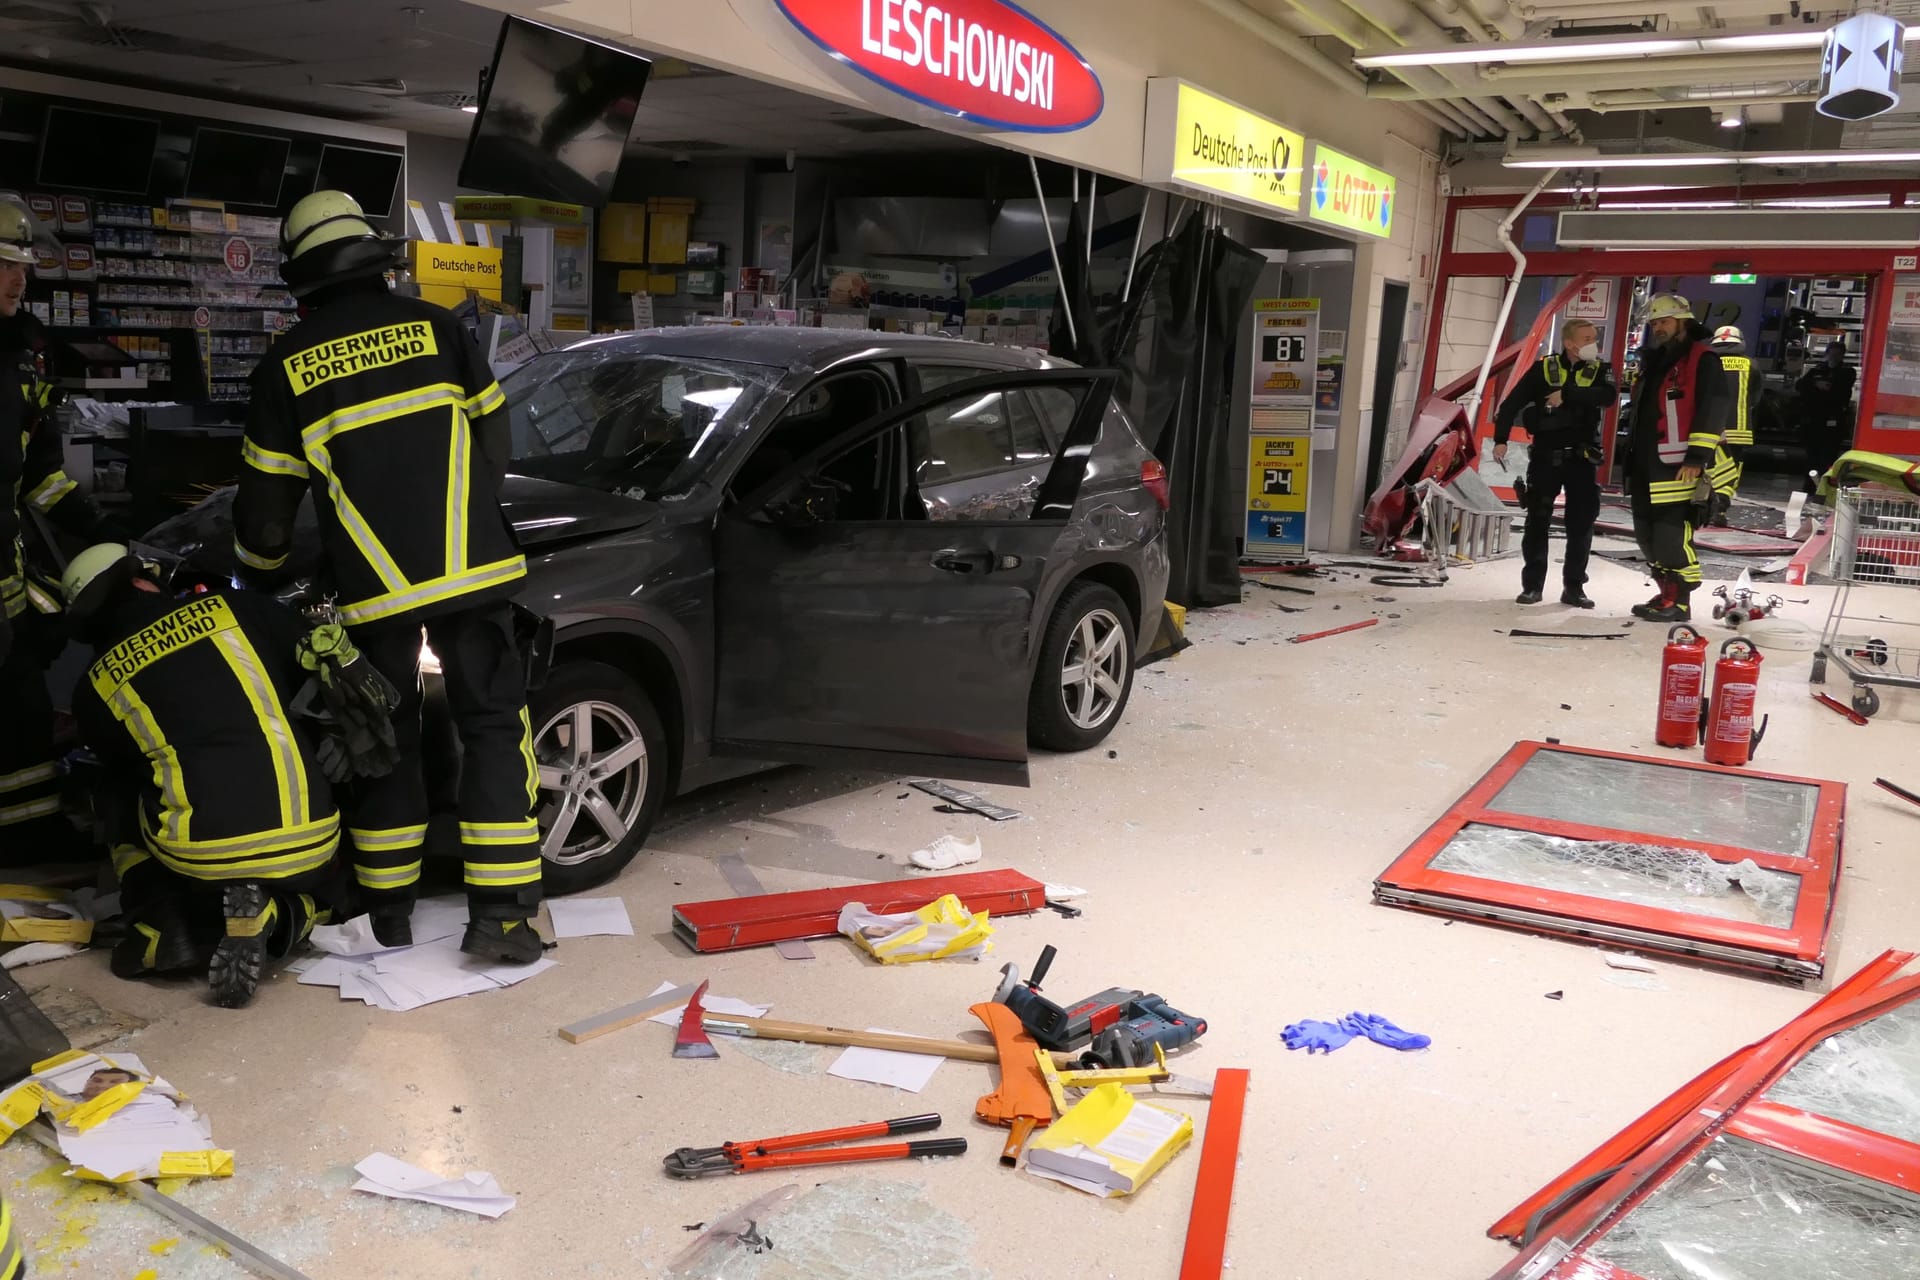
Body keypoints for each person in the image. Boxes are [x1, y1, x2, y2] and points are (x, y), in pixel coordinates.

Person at [231, 191, 545, 964]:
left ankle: (388, 914)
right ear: (376, 258)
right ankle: (501, 920)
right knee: (495, 732)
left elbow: (266, 517)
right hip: (477, 576)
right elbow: (496, 441)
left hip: (374, 598)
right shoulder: (441, 330)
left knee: (386, 740)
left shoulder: (285, 368)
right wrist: (465, 521)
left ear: (302, 278)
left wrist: (263, 577)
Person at [63, 544, 344, 1008]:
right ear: (140, 581)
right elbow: (315, 679)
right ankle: (286, 914)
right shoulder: (237, 607)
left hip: (200, 857)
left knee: (117, 789)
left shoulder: (94, 684)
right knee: (336, 886)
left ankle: (157, 922)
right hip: (310, 836)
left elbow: (126, 767)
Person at [1, 198, 118, 861]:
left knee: (20, 708)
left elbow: (39, 475)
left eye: (24, 265)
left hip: (6, 584)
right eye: (6, 264)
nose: (20, 278)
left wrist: (107, 529)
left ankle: (29, 842)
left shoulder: (22, 359)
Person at [1625, 295, 1737, 622]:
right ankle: (1665, 595)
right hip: (1647, 464)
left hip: (1679, 467)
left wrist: (1697, 457)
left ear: (1683, 322)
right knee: (1646, 536)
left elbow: (1713, 408)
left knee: (1670, 536)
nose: (1658, 328)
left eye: (1665, 321)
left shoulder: (1703, 359)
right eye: (1655, 323)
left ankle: (1681, 602)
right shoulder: (1657, 361)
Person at [1494, 319, 1615, 608]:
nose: (1593, 343)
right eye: (1587, 338)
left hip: (1582, 460)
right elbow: (1511, 404)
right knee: (1537, 522)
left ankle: (1574, 588)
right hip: (1546, 458)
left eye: (1593, 338)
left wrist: (1569, 394)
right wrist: (1501, 439)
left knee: (1581, 525)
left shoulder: (1600, 370)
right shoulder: (1544, 369)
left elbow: (1608, 396)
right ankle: (1532, 587)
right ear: (1570, 343)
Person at [1708, 325, 1756, 526]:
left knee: (1710, 468)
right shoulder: (1751, 365)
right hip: (1740, 429)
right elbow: (1755, 397)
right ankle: (1719, 509)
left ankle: (1706, 506)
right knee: (1732, 472)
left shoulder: (1707, 364)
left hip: (1709, 428)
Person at [1797, 342, 1856, 493]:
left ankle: (1824, 487)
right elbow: (1800, 386)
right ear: (1827, 353)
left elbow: (1842, 389)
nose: (1834, 357)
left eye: (1837, 354)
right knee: (1812, 456)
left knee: (1828, 457)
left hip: (1833, 419)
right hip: (1814, 418)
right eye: (1832, 353)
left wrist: (1827, 386)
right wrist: (1816, 384)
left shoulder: (1847, 371)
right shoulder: (1817, 370)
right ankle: (1809, 485)